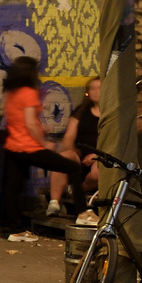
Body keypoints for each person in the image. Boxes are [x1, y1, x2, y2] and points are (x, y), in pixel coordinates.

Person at [0, 57, 88, 242]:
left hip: (13, 147)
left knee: (13, 188)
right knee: (72, 167)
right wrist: (44, 143)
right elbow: (30, 123)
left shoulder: (11, 93)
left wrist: (39, 127)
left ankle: (14, 230)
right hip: (29, 147)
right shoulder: (29, 93)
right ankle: (82, 212)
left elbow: (17, 120)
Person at [46, 77, 100, 217]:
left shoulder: (112, 114)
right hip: (80, 155)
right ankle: (54, 203)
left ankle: (77, 190)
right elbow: (69, 138)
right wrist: (73, 151)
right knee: (63, 158)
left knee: (97, 171)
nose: (96, 92)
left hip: (100, 157)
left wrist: (97, 156)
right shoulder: (82, 111)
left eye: (99, 88)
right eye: (92, 88)